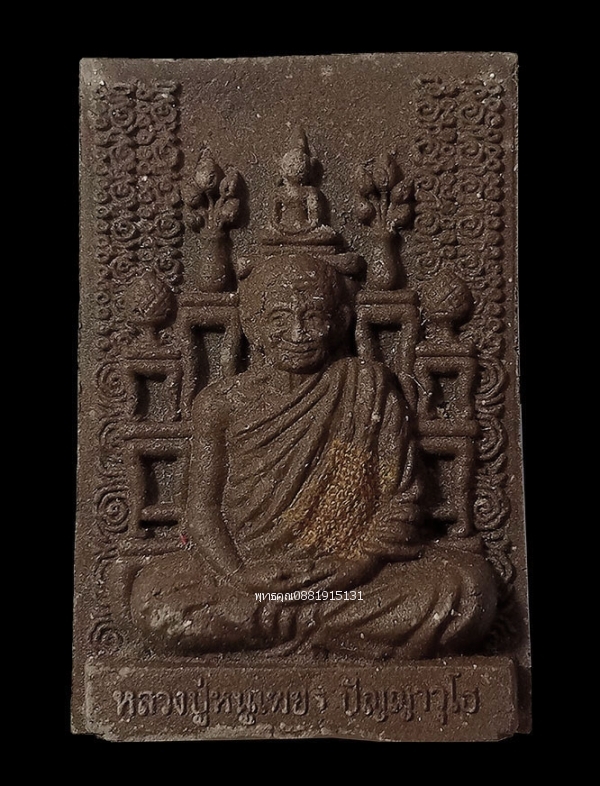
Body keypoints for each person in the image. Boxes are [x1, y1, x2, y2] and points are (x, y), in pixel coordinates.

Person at [130, 253, 497, 658]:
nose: (298, 333)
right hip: (254, 575)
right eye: (279, 318)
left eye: (314, 316)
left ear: (339, 322)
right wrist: (242, 573)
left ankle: (289, 622)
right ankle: (322, 626)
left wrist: (357, 565)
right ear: (253, 325)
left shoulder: (367, 384)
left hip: (351, 578)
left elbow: (402, 500)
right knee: (154, 600)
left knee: (467, 591)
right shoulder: (221, 403)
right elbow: (202, 509)